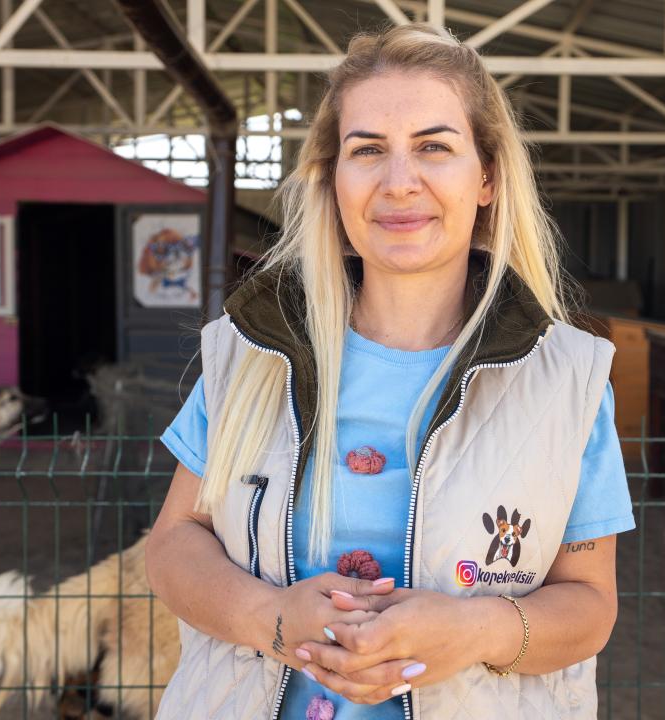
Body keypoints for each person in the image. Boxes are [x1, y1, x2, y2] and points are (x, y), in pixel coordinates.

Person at [147, 22, 635, 719]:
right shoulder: (252, 351)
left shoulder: (566, 380)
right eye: (367, 150)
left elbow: (589, 605)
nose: (399, 183)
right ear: (332, 178)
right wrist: (270, 619)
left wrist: (477, 631)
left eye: (434, 147)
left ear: (488, 177)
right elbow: (173, 545)